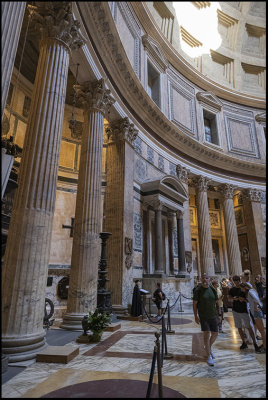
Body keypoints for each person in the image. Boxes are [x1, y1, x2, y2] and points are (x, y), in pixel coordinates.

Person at [228, 275, 262, 353]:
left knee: (249, 327)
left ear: (239, 280)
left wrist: (243, 299)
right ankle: (243, 342)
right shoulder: (232, 290)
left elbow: (249, 299)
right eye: (235, 280)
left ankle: (255, 343)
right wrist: (235, 298)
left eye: (237, 280)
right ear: (233, 281)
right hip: (235, 310)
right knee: (239, 327)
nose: (236, 282)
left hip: (244, 310)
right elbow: (229, 299)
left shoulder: (244, 288)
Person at [193, 273, 220, 366]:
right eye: (203, 278)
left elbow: (217, 302)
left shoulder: (212, 289)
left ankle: (208, 347)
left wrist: (219, 314)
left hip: (213, 315)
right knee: (206, 334)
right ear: (201, 279)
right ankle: (209, 356)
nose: (205, 279)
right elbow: (195, 304)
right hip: (203, 316)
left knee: (215, 333)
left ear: (209, 279)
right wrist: (196, 316)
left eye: (207, 278)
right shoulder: (198, 290)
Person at [240, 282, 266, 353]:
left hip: (256, 312)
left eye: (241, 288)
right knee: (260, 330)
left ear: (244, 287)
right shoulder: (250, 292)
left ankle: (265, 346)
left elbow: (256, 299)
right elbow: (251, 300)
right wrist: (245, 300)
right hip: (254, 312)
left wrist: (255, 306)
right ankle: (264, 344)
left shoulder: (250, 291)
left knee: (262, 331)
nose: (241, 290)